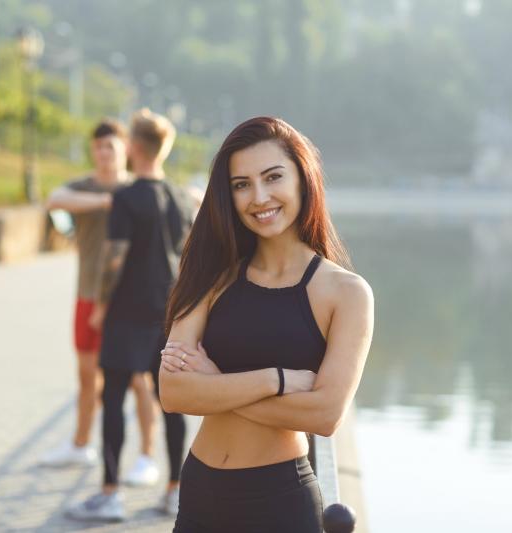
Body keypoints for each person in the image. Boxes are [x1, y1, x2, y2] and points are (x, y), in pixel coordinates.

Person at [159, 117, 374, 532]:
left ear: (302, 178)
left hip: (279, 499)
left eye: (272, 177)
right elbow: (173, 390)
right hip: (201, 489)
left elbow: (326, 414)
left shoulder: (346, 293)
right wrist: (276, 380)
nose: (259, 197)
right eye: (241, 184)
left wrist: (214, 383)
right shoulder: (212, 273)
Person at [66, 109, 193, 522]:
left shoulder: (126, 198)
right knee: (170, 403)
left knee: (114, 399)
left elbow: (113, 260)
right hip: (169, 312)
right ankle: (175, 491)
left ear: (133, 149)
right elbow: (190, 254)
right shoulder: (178, 196)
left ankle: (110, 493)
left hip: (125, 313)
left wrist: (100, 307)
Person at [40, 120, 161, 481]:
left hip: (126, 304)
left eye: (111, 146)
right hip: (87, 296)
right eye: (99, 147)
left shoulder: (136, 189)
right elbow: (54, 199)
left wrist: (121, 199)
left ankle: (147, 456)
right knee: (87, 377)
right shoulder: (88, 186)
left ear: (126, 149)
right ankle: (80, 445)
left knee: (140, 381)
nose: (105, 153)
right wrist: (106, 201)